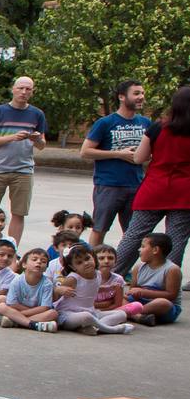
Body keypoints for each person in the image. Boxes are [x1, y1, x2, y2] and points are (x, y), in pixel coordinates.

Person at [118, 84, 190, 274]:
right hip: (184, 192)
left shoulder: (158, 127)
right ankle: (166, 282)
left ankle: (113, 275)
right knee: (176, 240)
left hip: (154, 188)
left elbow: (139, 158)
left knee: (134, 235)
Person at [80, 81, 150, 248]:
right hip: (108, 185)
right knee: (100, 228)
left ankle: (123, 270)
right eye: (136, 93)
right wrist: (119, 154)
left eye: (142, 93)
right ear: (121, 97)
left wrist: (143, 156)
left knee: (133, 232)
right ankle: (95, 269)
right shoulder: (105, 123)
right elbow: (85, 152)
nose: (141, 97)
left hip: (136, 185)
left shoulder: (146, 123)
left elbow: (151, 153)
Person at [0, 77, 48, 241]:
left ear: (32, 92)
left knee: (19, 213)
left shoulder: (37, 114)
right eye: (21, 88)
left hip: (23, 170)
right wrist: (12, 137)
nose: (24, 92)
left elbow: (42, 145)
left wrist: (36, 139)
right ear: (13, 89)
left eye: (28, 89)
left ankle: (12, 249)